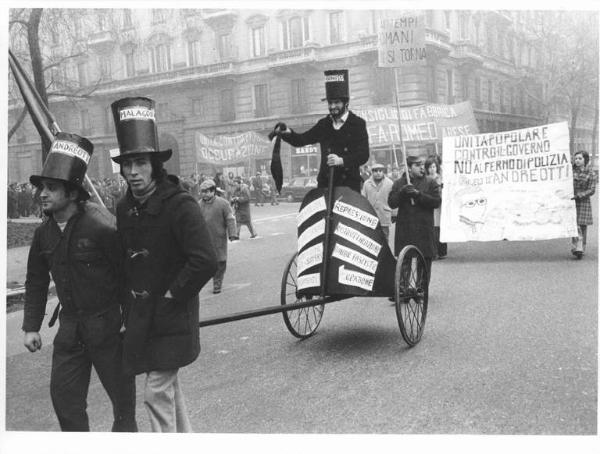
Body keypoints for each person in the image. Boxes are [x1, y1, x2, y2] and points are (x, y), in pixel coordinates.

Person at [111, 96, 218, 432]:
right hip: (143, 318)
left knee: (156, 391)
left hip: (173, 316)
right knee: (168, 388)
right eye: (127, 165)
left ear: (155, 166)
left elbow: (205, 260)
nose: (132, 172)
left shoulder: (180, 204)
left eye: (140, 163)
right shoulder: (124, 208)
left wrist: (173, 295)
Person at [23, 132, 137, 432]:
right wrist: (31, 326)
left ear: (72, 193)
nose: (42, 194)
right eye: (41, 188)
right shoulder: (43, 234)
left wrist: (130, 319)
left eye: (51, 188)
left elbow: (126, 275)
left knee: (124, 405)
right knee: (65, 401)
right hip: (70, 330)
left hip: (109, 328)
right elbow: (35, 281)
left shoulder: (101, 227)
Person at [274, 69, 369, 193]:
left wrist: (341, 161)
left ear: (346, 103)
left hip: (349, 187)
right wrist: (287, 132)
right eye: (330, 103)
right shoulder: (324, 124)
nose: (332, 107)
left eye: (337, 102)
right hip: (325, 185)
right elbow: (302, 140)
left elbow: (363, 155)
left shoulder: (358, 124)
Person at [388, 155, 441, 283]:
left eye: (422, 164)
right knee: (404, 260)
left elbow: (436, 202)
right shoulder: (399, 183)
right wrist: (402, 193)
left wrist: (418, 195)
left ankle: (421, 289)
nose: (422, 167)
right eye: (417, 165)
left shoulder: (430, 182)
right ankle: (402, 289)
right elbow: (391, 203)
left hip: (424, 228)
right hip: (406, 228)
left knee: (424, 260)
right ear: (409, 168)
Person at [198, 178, 238, 294]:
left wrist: (232, 234)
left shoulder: (223, 203)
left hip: (218, 238)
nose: (204, 194)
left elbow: (230, 219)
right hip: (204, 239)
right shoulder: (198, 205)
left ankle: (217, 283)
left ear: (213, 191)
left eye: (206, 191)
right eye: (202, 192)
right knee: (205, 262)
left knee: (220, 261)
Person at [571, 150, 596, 259]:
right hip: (572, 200)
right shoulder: (570, 171)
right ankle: (576, 246)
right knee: (573, 224)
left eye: (580, 158)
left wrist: (580, 195)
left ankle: (581, 247)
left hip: (583, 201)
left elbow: (592, 189)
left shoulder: (591, 173)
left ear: (585, 160)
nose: (577, 160)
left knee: (582, 225)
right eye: (576, 158)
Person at [361, 162, 394, 240]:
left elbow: (393, 199)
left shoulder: (389, 183)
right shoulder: (366, 184)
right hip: (371, 215)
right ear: (372, 172)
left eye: (380, 171)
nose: (378, 173)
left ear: (383, 172)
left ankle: (386, 252)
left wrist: (394, 214)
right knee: (372, 238)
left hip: (384, 215)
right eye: (375, 171)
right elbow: (363, 199)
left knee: (385, 237)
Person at [425, 156, 447, 259]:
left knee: (440, 229)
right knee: (432, 229)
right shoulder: (425, 179)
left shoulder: (441, 178)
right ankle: (433, 252)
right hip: (430, 206)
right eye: (430, 167)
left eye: (434, 166)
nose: (432, 169)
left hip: (440, 206)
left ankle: (442, 252)